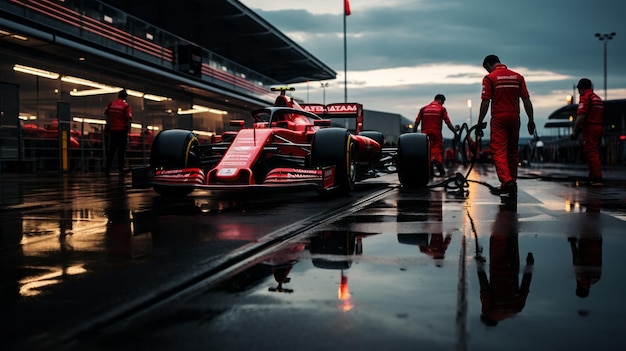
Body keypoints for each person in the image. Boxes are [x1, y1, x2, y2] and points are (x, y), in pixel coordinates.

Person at [476, 55, 535, 200]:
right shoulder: (518, 77)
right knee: (513, 151)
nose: (487, 71)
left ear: (489, 64)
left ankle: (507, 181)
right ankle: (512, 182)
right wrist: (531, 120)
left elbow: (485, 102)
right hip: (515, 117)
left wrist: (479, 122)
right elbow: (526, 100)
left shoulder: (489, 78)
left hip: (499, 118)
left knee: (499, 151)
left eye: (486, 68)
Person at [413, 94, 458, 176]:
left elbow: (416, 122)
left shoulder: (423, 109)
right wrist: (454, 131)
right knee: (437, 149)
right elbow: (447, 122)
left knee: (427, 151)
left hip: (425, 134)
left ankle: (430, 171)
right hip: (436, 133)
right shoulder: (441, 109)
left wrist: (414, 132)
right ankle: (435, 160)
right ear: (441, 100)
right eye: (443, 102)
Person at [571, 78, 604, 186]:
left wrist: (575, 130)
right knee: (594, 152)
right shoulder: (597, 98)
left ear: (581, 89)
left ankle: (597, 178)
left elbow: (581, 116)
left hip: (590, 129)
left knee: (591, 153)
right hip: (598, 127)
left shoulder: (586, 98)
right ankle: (592, 177)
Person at [104, 89, 133, 176]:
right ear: (125, 97)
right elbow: (128, 118)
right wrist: (128, 129)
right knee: (121, 150)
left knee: (111, 150)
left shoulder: (111, 104)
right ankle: (121, 169)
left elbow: (106, 114)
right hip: (122, 130)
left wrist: (109, 124)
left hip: (113, 130)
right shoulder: (125, 106)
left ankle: (107, 169)